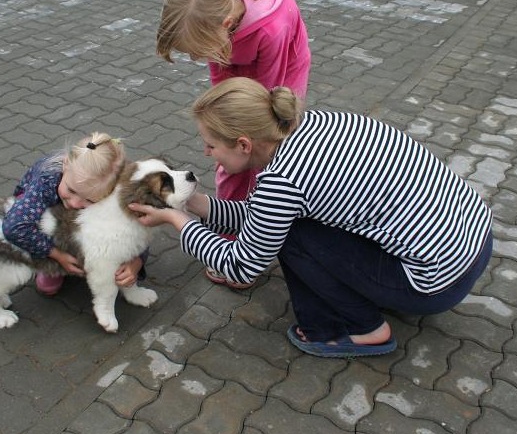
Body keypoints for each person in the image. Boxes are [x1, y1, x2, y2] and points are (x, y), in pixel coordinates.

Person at [129, 77, 494, 358]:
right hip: (473, 239)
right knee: (289, 226)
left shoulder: (281, 180)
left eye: (211, 144)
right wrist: (193, 203)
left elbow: (242, 266)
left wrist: (178, 223)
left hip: (437, 281)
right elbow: (261, 218)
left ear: (243, 144)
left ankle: (359, 329)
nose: (207, 153)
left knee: (294, 236)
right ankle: (371, 293)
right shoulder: (315, 123)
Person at [157, 0, 312, 289]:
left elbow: (265, 101)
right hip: (240, 67)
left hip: (277, 82)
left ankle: (257, 242)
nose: (197, 58)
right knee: (229, 160)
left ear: (226, 26)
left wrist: (244, 138)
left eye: (197, 52)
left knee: (263, 164)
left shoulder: (273, 27)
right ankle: (229, 235)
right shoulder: (215, 19)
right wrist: (221, 131)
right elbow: (220, 74)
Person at [2, 132, 145, 296]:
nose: (75, 203)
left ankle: (83, 255)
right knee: (44, 224)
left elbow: (138, 225)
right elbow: (13, 227)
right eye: (71, 190)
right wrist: (56, 254)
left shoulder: (117, 187)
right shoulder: (46, 181)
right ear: (65, 164)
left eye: (89, 199)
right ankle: (50, 266)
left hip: (75, 221)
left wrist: (137, 261)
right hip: (39, 210)